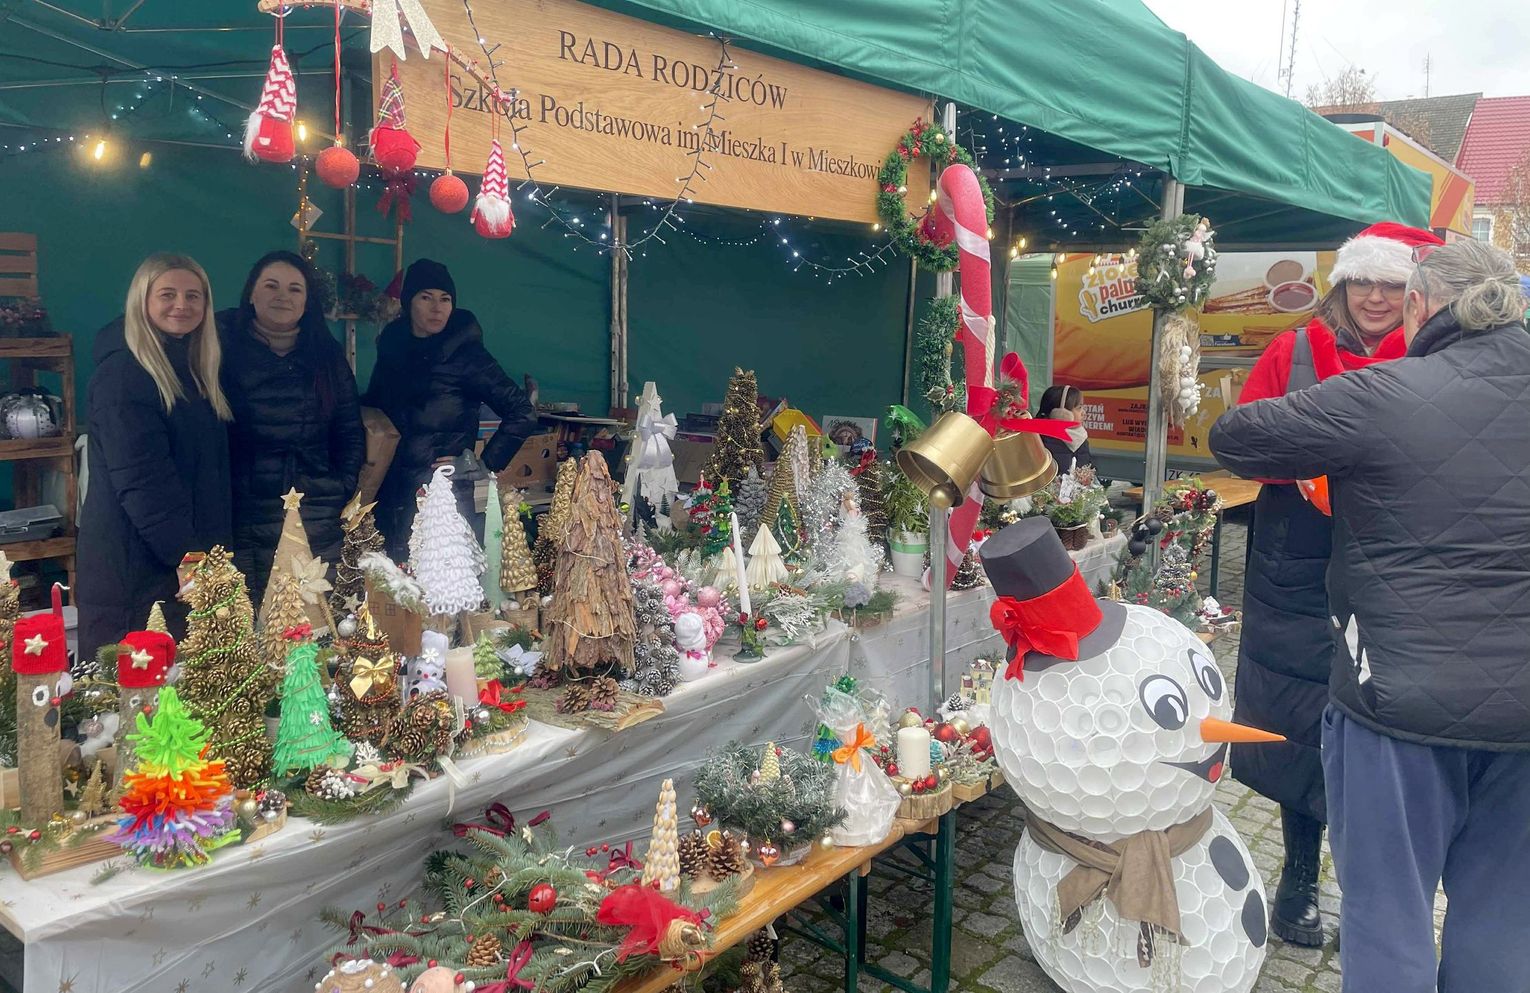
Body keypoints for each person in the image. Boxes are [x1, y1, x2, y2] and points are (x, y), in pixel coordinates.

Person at [1209, 239, 1530, 991]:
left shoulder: (1384, 391)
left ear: (1419, 306)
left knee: (1389, 922)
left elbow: (1234, 437)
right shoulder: (1352, 372)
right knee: (1507, 921)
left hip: (1396, 709)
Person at [1222, 221, 1442, 947]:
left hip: (1394, 562)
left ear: (1414, 293)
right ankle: (1298, 879)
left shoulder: (1433, 357)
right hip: (1297, 564)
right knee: (1300, 720)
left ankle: (1375, 890)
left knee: (1383, 727)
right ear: (1341, 287)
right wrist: (1303, 463)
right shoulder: (1293, 351)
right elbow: (1246, 440)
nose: (1375, 297)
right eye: (1362, 282)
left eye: (1391, 285)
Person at [77, 254, 233, 656]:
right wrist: (190, 560)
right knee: (138, 687)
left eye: (193, 296)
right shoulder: (123, 375)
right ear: (141, 300)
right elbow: (144, 483)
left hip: (175, 561)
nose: (181, 305)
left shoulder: (192, 369)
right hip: (136, 571)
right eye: (167, 294)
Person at [363, 259, 537, 560]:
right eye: (426, 297)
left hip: (442, 496)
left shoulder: (467, 355)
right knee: (392, 578)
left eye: (445, 299)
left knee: (442, 579)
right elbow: (376, 405)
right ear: (409, 302)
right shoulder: (393, 348)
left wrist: (481, 463)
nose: (437, 308)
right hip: (390, 491)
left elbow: (522, 411)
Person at [218, 250, 365, 604]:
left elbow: (349, 431)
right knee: (254, 617)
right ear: (251, 294)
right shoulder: (220, 349)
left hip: (318, 509)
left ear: (307, 301)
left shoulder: (327, 355)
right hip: (246, 512)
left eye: (294, 289)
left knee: (319, 617)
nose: (282, 296)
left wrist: (340, 487)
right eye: (271, 285)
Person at [1035, 384, 1092, 471]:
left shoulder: (1081, 437)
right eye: (1079, 408)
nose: (1084, 413)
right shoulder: (1039, 441)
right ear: (1061, 413)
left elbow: (1088, 466)